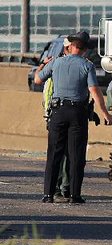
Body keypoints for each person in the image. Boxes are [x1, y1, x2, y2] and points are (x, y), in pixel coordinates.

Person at [34, 31, 112, 204]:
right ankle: (74, 195)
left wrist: (42, 65)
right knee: (76, 155)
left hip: (58, 112)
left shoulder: (56, 62)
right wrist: (106, 114)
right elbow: (95, 92)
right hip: (78, 113)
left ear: (70, 46)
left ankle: (48, 194)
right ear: (85, 50)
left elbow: (38, 80)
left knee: (54, 154)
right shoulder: (87, 66)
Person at [42, 38, 71, 200]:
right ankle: (64, 187)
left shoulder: (54, 68)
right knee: (67, 154)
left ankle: (58, 188)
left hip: (54, 114)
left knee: (57, 154)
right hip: (60, 113)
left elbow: (40, 80)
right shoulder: (66, 68)